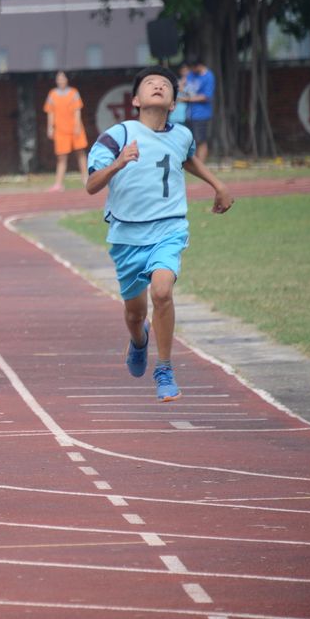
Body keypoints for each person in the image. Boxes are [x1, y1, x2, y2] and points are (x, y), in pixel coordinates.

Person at [86, 66, 232, 402]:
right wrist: (119, 163)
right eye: (149, 83)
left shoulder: (182, 135)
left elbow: (187, 159)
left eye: (165, 84)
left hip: (169, 228)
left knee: (162, 292)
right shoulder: (118, 136)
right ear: (136, 100)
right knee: (135, 313)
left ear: (173, 103)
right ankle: (139, 341)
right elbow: (91, 185)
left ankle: (164, 369)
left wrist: (218, 185)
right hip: (127, 236)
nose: (157, 86)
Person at [43, 70, 88, 192]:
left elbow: (77, 110)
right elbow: (50, 112)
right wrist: (50, 127)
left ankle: (85, 179)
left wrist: (77, 126)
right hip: (60, 130)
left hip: (74, 128)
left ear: (67, 79)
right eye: (58, 78)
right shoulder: (52, 94)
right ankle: (58, 183)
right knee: (61, 157)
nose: (60, 81)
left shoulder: (74, 93)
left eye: (62, 78)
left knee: (80, 153)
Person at [180, 58, 215, 161]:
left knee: (201, 140)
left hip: (201, 114)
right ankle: (193, 163)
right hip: (189, 113)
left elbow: (206, 97)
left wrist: (187, 99)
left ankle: (201, 164)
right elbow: (185, 89)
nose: (191, 71)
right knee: (190, 140)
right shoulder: (191, 74)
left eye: (192, 68)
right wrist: (183, 83)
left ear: (198, 66)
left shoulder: (208, 76)